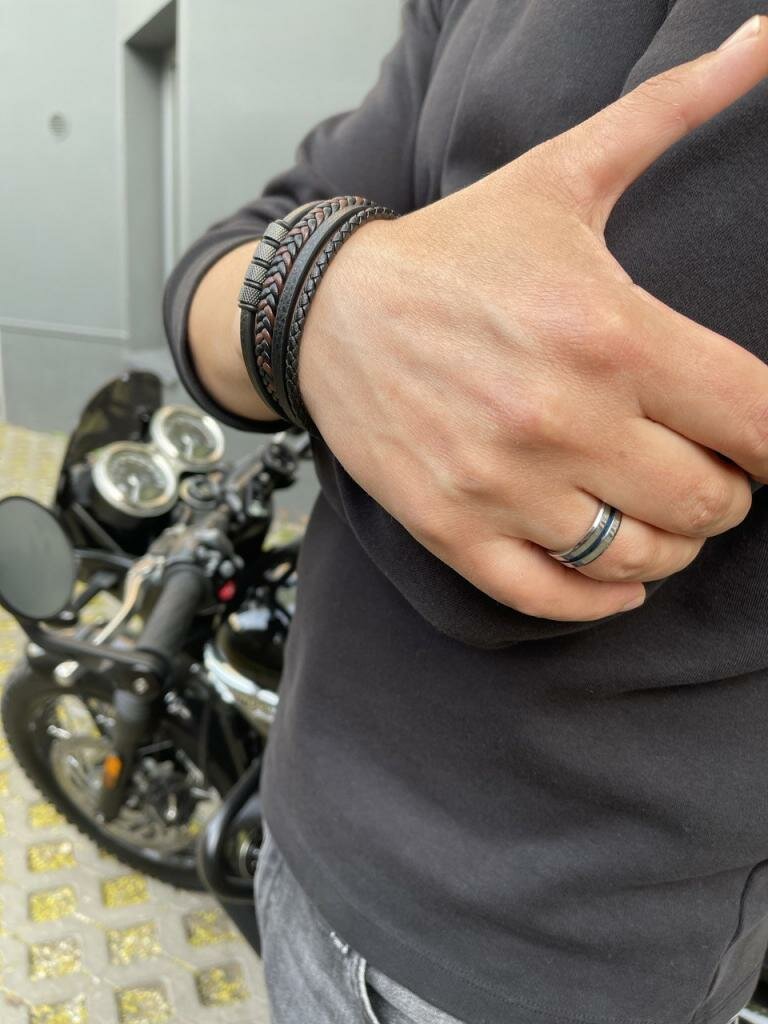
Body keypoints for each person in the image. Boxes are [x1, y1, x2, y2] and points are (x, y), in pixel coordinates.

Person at [163, 3, 768, 1022]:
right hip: (301, 821)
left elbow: (503, 544)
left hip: (533, 957)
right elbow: (218, 266)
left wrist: (324, 318)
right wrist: (316, 298)